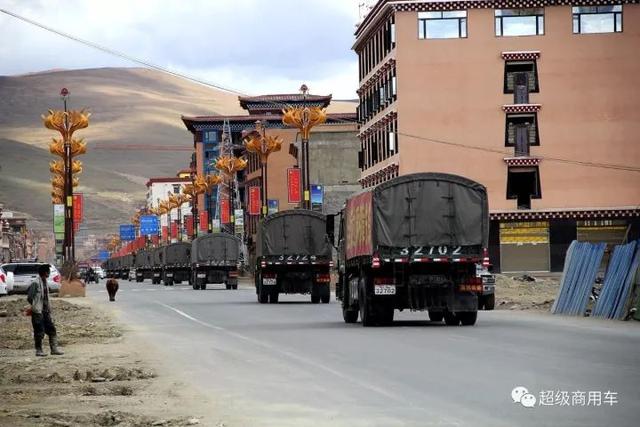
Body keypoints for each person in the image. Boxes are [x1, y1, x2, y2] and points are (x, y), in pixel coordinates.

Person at [27, 264, 64, 357]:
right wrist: (35, 306)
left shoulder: (45, 282)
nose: (49, 273)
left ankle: (54, 349)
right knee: (39, 331)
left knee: (52, 329)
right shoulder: (35, 283)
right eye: (48, 271)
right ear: (44, 272)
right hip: (38, 311)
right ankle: (38, 350)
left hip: (45, 311)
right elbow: (30, 297)